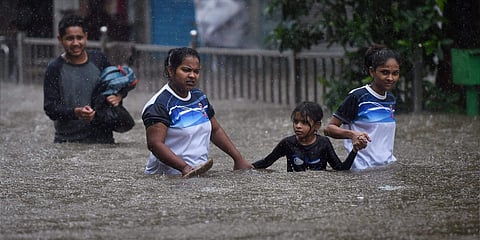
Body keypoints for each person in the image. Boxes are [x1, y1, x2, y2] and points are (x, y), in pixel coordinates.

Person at [142, 47, 252, 177]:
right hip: (167, 178)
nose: (192, 76)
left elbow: (215, 130)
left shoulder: (198, 97)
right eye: (186, 70)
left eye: (196, 71)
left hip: (197, 173)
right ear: (171, 71)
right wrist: (185, 168)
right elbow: (155, 144)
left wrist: (238, 159)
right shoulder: (159, 104)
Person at [43, 14, 130, 143]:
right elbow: (50, 108)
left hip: (103, 138)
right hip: (68, 140)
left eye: (79, 38)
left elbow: (117, 84)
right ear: (60, 39)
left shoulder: (99, 60)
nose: (75, 43)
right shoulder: (54, 68)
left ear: (86, 37)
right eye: (69, 38)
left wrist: (118, 96)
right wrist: (76, 112)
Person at [324, 45, 400, 170]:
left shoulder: (391, 99)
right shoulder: (358, 97)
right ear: (372, 71)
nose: (390, 78)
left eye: (395, 73)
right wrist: (352, 134)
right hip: (361, 170)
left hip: (387, 168)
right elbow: (329, 129)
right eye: (385, 72)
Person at [252, 101, 360, 172]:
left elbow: (340, 169)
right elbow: (266, 162)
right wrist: (247, 167)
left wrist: (354, 150)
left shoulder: (323, 143)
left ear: (317, 125)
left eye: (304, 123)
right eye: (295, 121)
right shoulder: (287, 143)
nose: (298, 126)